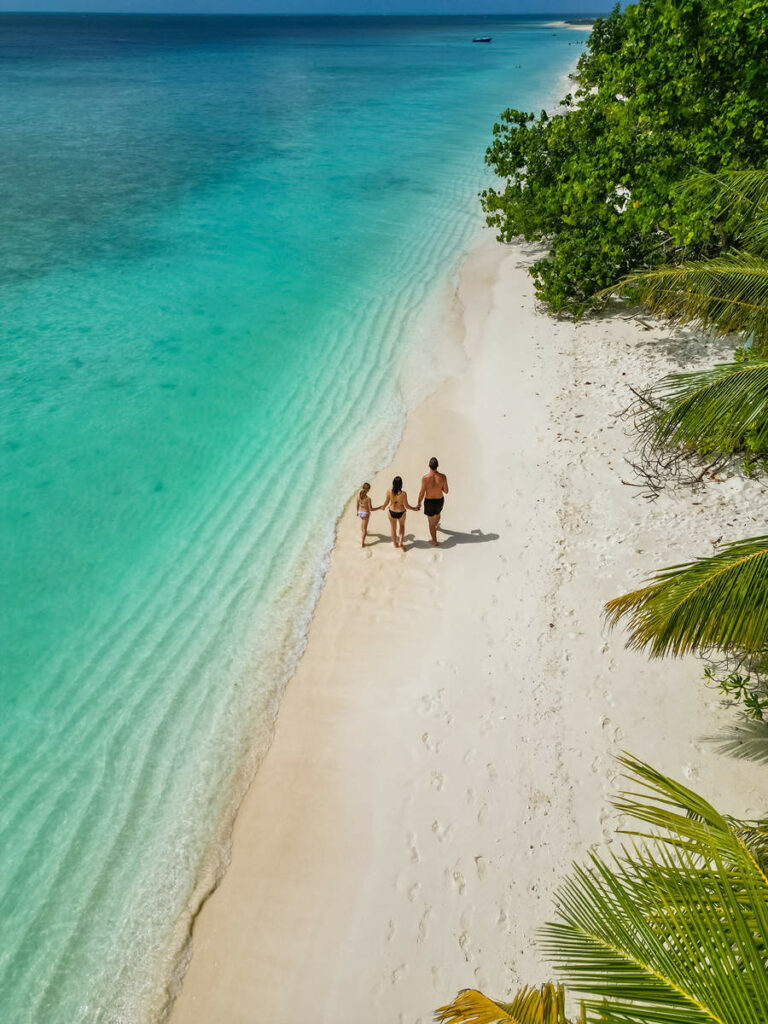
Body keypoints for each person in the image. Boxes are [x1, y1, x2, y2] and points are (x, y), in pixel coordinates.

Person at [418, 456, 449, 546]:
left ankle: (434, 541)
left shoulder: (425, 478)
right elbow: (446, 491)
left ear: (429, 466)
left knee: (431, 524)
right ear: (437, 466)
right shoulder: (443, 477)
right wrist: (439, 487)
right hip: (440, 500)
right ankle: (435, 525)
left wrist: (419, 503)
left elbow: (421, 493)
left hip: (429, 502)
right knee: (438, 515)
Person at [381, 475, 419, 549]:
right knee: (402, 526)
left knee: (393, 528)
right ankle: (401, 543)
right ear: (401, 484)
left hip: (391, 511)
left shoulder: (389, 491)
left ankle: (395, 544)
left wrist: (383, 506)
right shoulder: (403, 494)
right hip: (401, 512)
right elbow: (407, 506)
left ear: (393, 483)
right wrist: (414, 508)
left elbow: (386, 502)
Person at [355, 482, 381, 548]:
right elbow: (371, 509)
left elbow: (357, 505)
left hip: (360, 513)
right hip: (366, 514)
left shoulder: (358, 496)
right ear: (368, 490)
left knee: (363, 523)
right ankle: (362, 543)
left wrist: (357, 512)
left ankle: (363, 532)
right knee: (365, 530)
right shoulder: (368, 499)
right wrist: (379, 507)